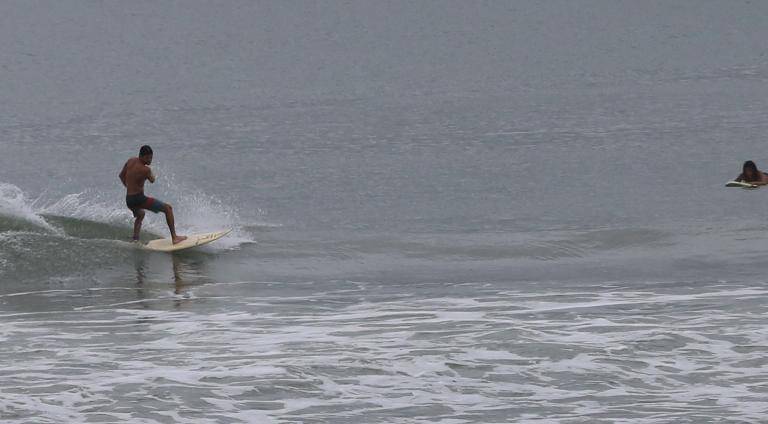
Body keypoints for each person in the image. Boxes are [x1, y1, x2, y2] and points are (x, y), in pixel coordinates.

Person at [119, 145, 187, 244]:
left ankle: (135, 239)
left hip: (129, 199)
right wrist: (151, 172)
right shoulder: (145, 169)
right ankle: (175, 238)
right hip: (139, 199)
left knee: (141, 214)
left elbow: (121, 176)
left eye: (151, 157)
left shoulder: (130, 161)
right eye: (147, 158)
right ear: (141, 156)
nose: (150, 160)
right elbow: (152, 180)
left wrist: (129, 188)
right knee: (168, 208)